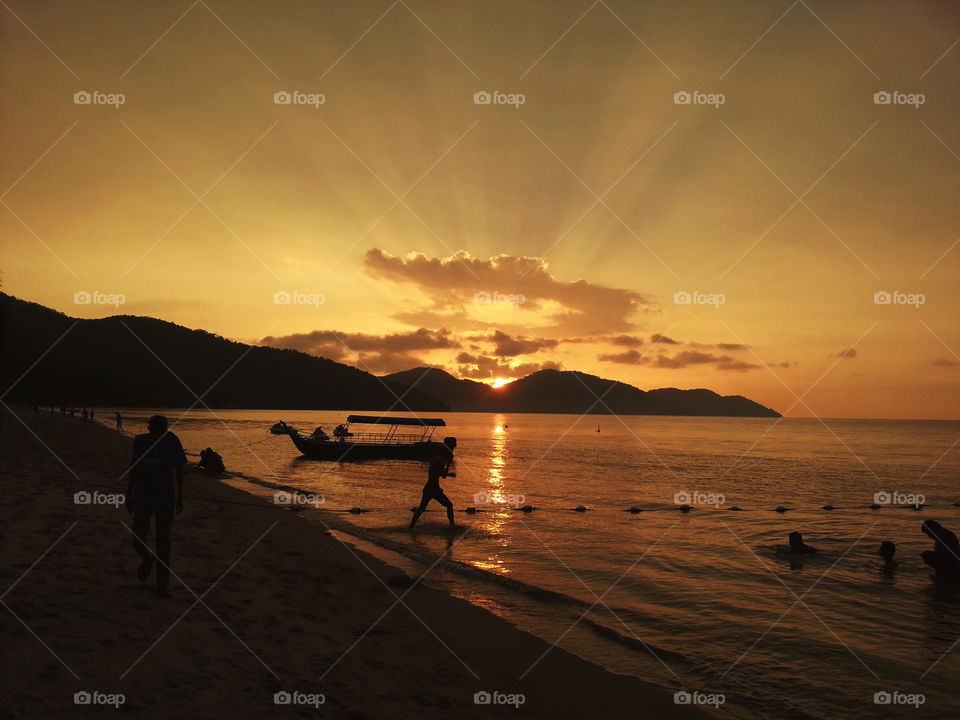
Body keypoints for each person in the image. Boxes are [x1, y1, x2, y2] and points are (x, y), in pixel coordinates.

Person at [126, 415, 186, 598]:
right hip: (143, 494)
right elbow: (134, 467)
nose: (158, 433)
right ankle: (147, 557)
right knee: (138, 533)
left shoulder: (172, 440)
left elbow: (179, 469)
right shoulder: (140, 441)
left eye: (161, 430)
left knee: (163, 540)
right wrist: (129, 493)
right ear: (149, 428)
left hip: (165, 496)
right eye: (155, 429)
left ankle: (163, 584)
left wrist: (180, 495)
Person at [409, 438, 457, 530]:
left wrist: (447, 468)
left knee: (421, 509)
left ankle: (411, 527)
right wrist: (448, 469)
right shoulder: (439, 461)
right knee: (449, 505)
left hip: (430, 488)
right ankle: (452, 526)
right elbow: (443, 475)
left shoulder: (436, 460)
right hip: (433, 489)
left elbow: (440, 474)